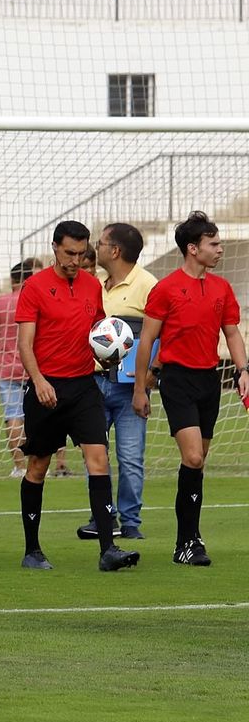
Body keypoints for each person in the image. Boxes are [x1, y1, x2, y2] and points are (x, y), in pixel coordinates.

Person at [14, 222, 140, 572]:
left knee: (98, 459)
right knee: (37, 467)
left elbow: (99, 334)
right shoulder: (34, 287)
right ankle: (32, 549)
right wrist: (38, 380)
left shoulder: (90, 286)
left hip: (85, 386)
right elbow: (25, 343)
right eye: (69, 253)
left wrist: (110, 353)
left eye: (82, 253)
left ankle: (107, 550)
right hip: (46, 387)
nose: (75, 260)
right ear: (54, 247)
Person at [133, 211, 248, 567]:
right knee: (193, 457)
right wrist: (141, 389)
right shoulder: (165, 289)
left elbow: (231, 333)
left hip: (208, 380)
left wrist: (244, 370)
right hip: (177, 379)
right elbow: (147, 339)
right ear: (192, 248)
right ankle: (188, 541)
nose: (220, 249)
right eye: (213, 244)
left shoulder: (222, 288)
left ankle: (187, 543)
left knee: (197, 464)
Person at [80, 222, 157, 542]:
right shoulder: (92, 283)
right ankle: (103, 516)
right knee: (94, 455)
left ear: (115, 251)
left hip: (129, 388)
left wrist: (149, 378)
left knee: (130, 456)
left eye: (99, 243)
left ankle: (131, 521)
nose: (93, 248)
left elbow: (159, 335)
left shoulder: (148, 285)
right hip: (93, 384)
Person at [0, 260, 37, 479]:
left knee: (13, 416)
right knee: (44, 416)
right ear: (28, 280)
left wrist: (2, 340)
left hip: (7, 369)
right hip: (34, 368)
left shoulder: (1, 302)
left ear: (13, 280)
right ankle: (53, 464)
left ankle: (19, 467)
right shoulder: (35, 300)